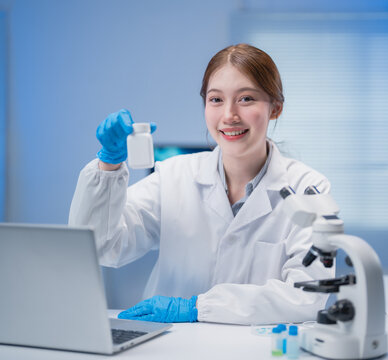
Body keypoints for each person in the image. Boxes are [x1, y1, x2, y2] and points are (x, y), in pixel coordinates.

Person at [69, 43, 333, 325]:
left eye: (246, 99)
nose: (229, 115)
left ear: (275, 108)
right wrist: (108, 165)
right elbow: (103, 247)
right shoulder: (173, 176)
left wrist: (198, 307)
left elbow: (307, 295)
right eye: (216, 100)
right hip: (168, 345)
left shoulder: (308, 187)